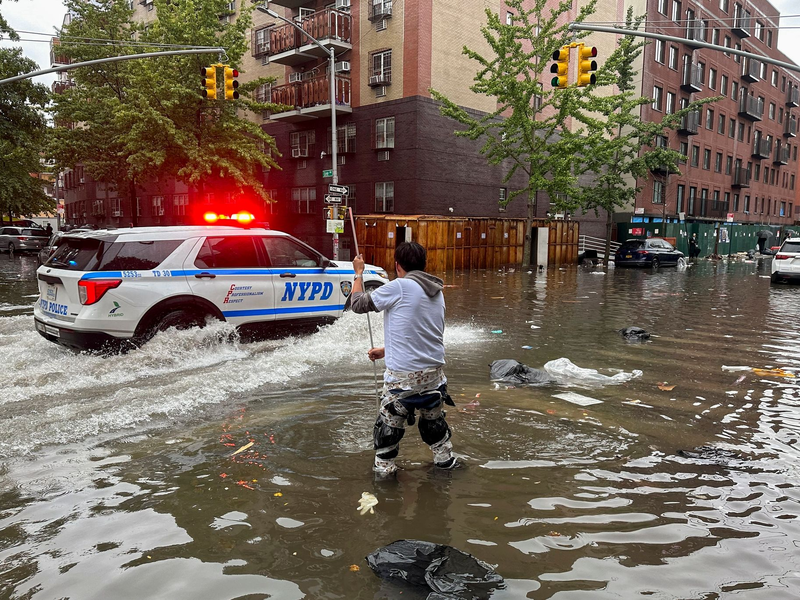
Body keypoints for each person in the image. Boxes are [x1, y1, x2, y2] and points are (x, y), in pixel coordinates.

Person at [351, 242, 456, 476]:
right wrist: (386, 350)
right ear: (423, 264)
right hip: (435, 380)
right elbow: (422, 334)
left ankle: (386, 485)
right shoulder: (436, 291)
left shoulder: (399, 286)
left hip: (403, 382)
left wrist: (358, 273)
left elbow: (357, 304)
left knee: (386, 435)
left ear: (397, 266)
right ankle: (445, 468)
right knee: (436, 431)